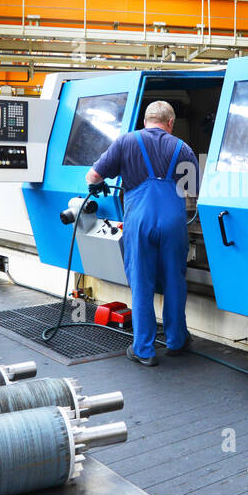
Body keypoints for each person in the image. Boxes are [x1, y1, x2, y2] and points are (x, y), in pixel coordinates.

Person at [87, 100, 198, 367]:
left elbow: (93, 176)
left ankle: (144, 350)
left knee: (142, 282)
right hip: (173, 222)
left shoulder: (126, 142)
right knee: (174, 281)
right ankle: (176, 341)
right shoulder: (183, 148)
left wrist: (101, 183)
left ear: (145, 120)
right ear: (170, 122)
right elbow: (191, 196)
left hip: (139, 220)